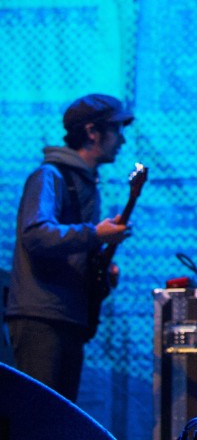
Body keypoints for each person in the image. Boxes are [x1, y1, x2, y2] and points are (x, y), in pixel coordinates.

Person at [4, 94, 134, 402]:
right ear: (92, 131)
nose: (122, 140)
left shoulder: (84, 183)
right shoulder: (49, 176)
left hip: (67, 316)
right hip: (41, 316)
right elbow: (36, 235)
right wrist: (94, 234)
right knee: (39, 419)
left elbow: (68, 245)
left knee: (60, 420)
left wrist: (97, 267)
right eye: (116, 129)